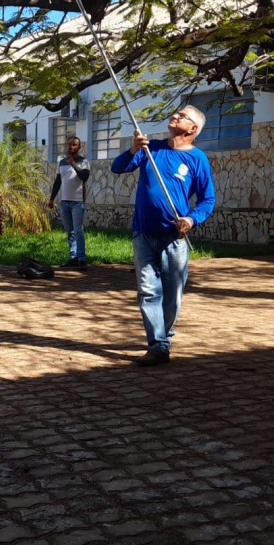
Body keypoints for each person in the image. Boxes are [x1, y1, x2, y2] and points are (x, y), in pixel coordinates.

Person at [111, 105, 216, 366]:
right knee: (148, 291)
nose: (176, 116)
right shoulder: (150, 148)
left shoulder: (197, 158)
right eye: (176, 113)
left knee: (172, 294)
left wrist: (191, 219)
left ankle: (163, 336)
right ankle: (158, 345)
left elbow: (207, 199)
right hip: (143, 232)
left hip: (174, 237)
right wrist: (134, 149)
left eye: (184, 116)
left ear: (193, 129)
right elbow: (118, 168)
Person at [48, 136, 92, 271]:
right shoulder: (61, 162)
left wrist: (73, 164)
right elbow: (58, 181)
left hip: (77, 202)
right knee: (70, 232)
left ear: (79, 147)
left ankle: (82, 259)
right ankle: (73, 257)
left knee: (78, 231)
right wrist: (51, 198)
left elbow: (84, 177)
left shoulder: (84, 162)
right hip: (64, 202)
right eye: (69, 145)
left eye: (74, 145)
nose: (71, 147)